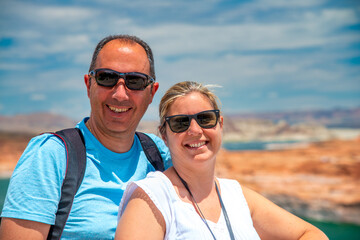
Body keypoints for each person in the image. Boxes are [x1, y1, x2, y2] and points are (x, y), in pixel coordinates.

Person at [0, 35, 171, 239]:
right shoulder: (51, 156)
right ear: (88, 84)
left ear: (152, 92)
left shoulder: (159, 155)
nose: (120, 94)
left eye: (135, 81)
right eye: (106, 77)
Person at [115, 81, 329, 240]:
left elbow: (310, 234)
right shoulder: (152, 198)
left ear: (220, 123)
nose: (196, 131)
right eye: (180, 123)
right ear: (164, 134)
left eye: (205, 119)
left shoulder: (236, 195)